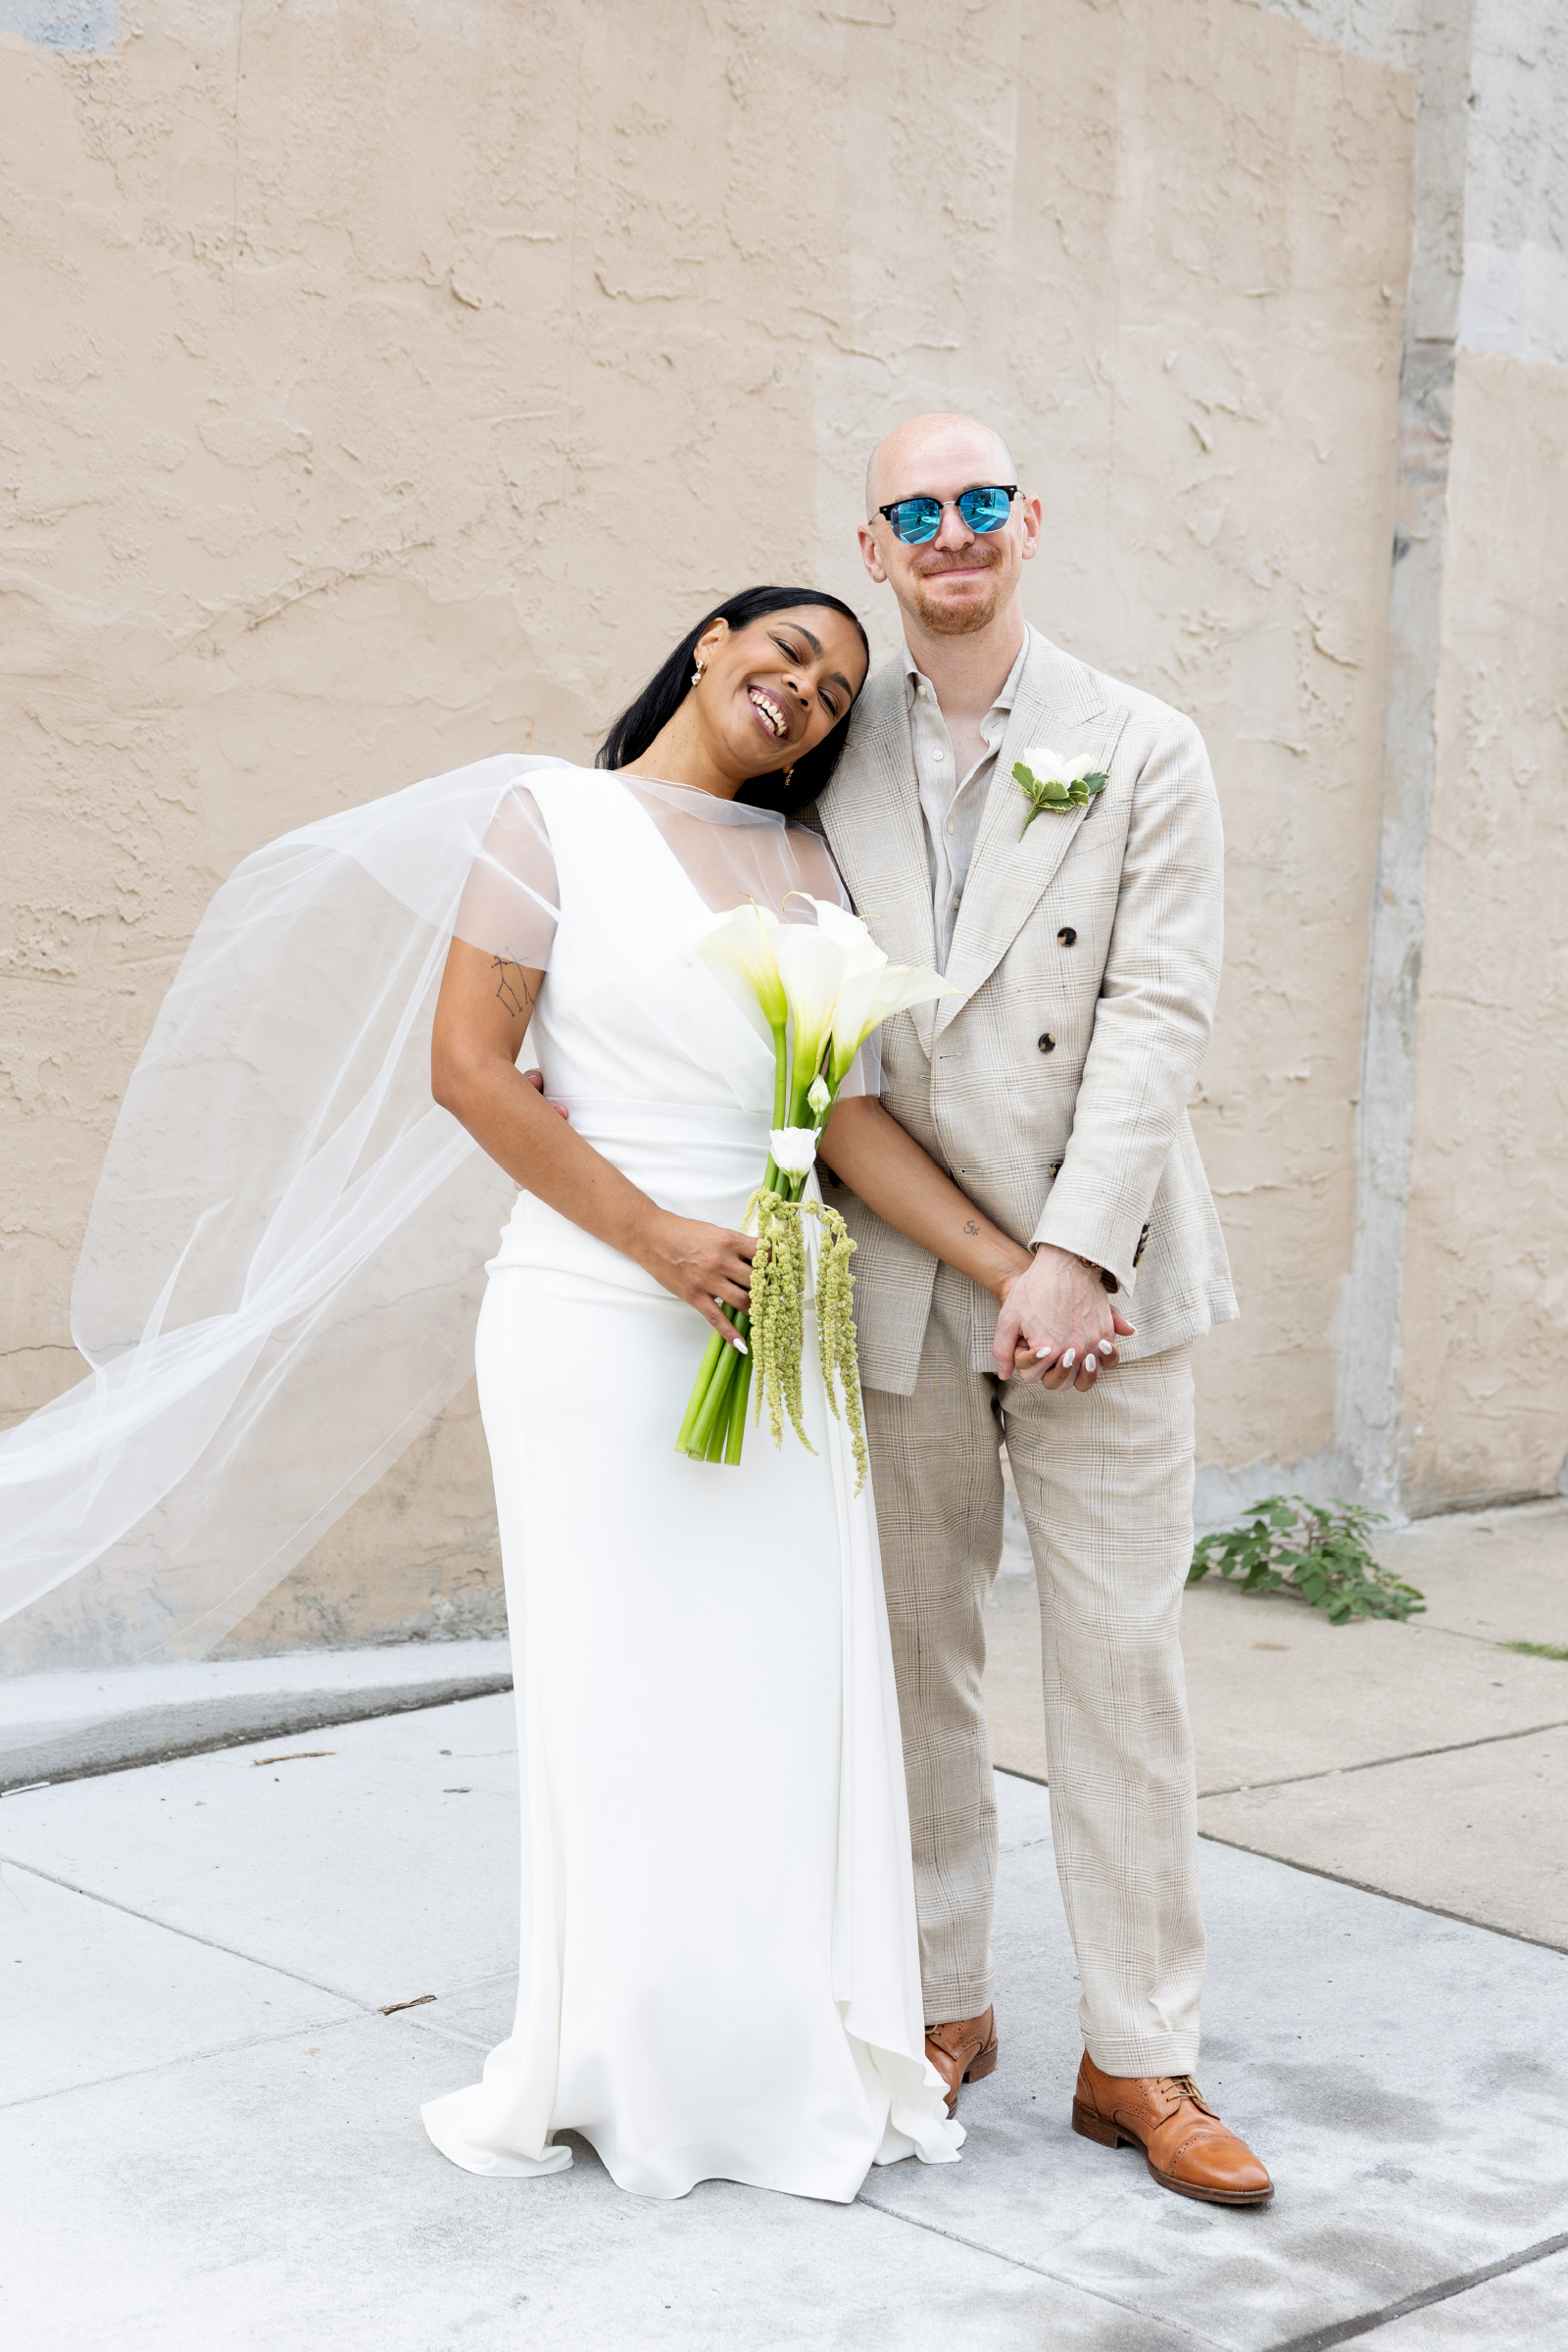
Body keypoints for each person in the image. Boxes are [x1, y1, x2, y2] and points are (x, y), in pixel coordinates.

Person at [418, 584, 1047, 2200]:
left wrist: (1012, 1265)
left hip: (777, 1325)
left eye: (835, 694)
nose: (805, 694)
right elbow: (469, 1069)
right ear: (709, 643)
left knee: (773, 1699)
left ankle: (771, 2049)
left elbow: (843, 1124)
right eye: (788, 655)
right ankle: (623, 2056)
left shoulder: (808, 868)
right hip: (595, 1311)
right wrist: (656, 1243)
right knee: (621, 1696)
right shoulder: (553, 817)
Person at [811, 416, 1274, 2206]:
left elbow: (1159, 1012)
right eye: (917, 510)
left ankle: (1141, 2052)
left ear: (1027, 526)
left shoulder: (1141, 742)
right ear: (875, 546)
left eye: (982, 502)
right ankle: (942, 2003)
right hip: (904, 1265)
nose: (954, 531)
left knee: (1120, 1666)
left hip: (1112, 1278)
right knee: (912, 1653)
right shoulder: (828, 751)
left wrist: (1074, 1255)